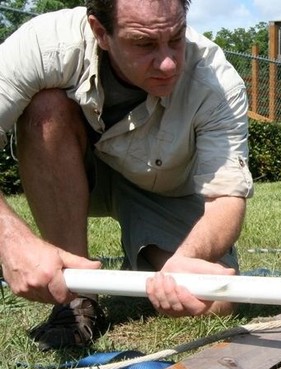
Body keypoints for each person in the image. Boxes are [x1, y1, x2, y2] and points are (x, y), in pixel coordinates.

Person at [0, 0, 254, 350]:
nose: (168, 63)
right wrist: (12, 241)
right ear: (100, 32)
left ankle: (157, 254)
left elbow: (226, 198)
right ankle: (75, 299)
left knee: (212, 301)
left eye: (176, 38)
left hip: (165, 191)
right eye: (144, 44)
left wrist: (187, 257)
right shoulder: (45, 45)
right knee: (46, 108)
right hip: (74, 167)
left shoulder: (217, 83)